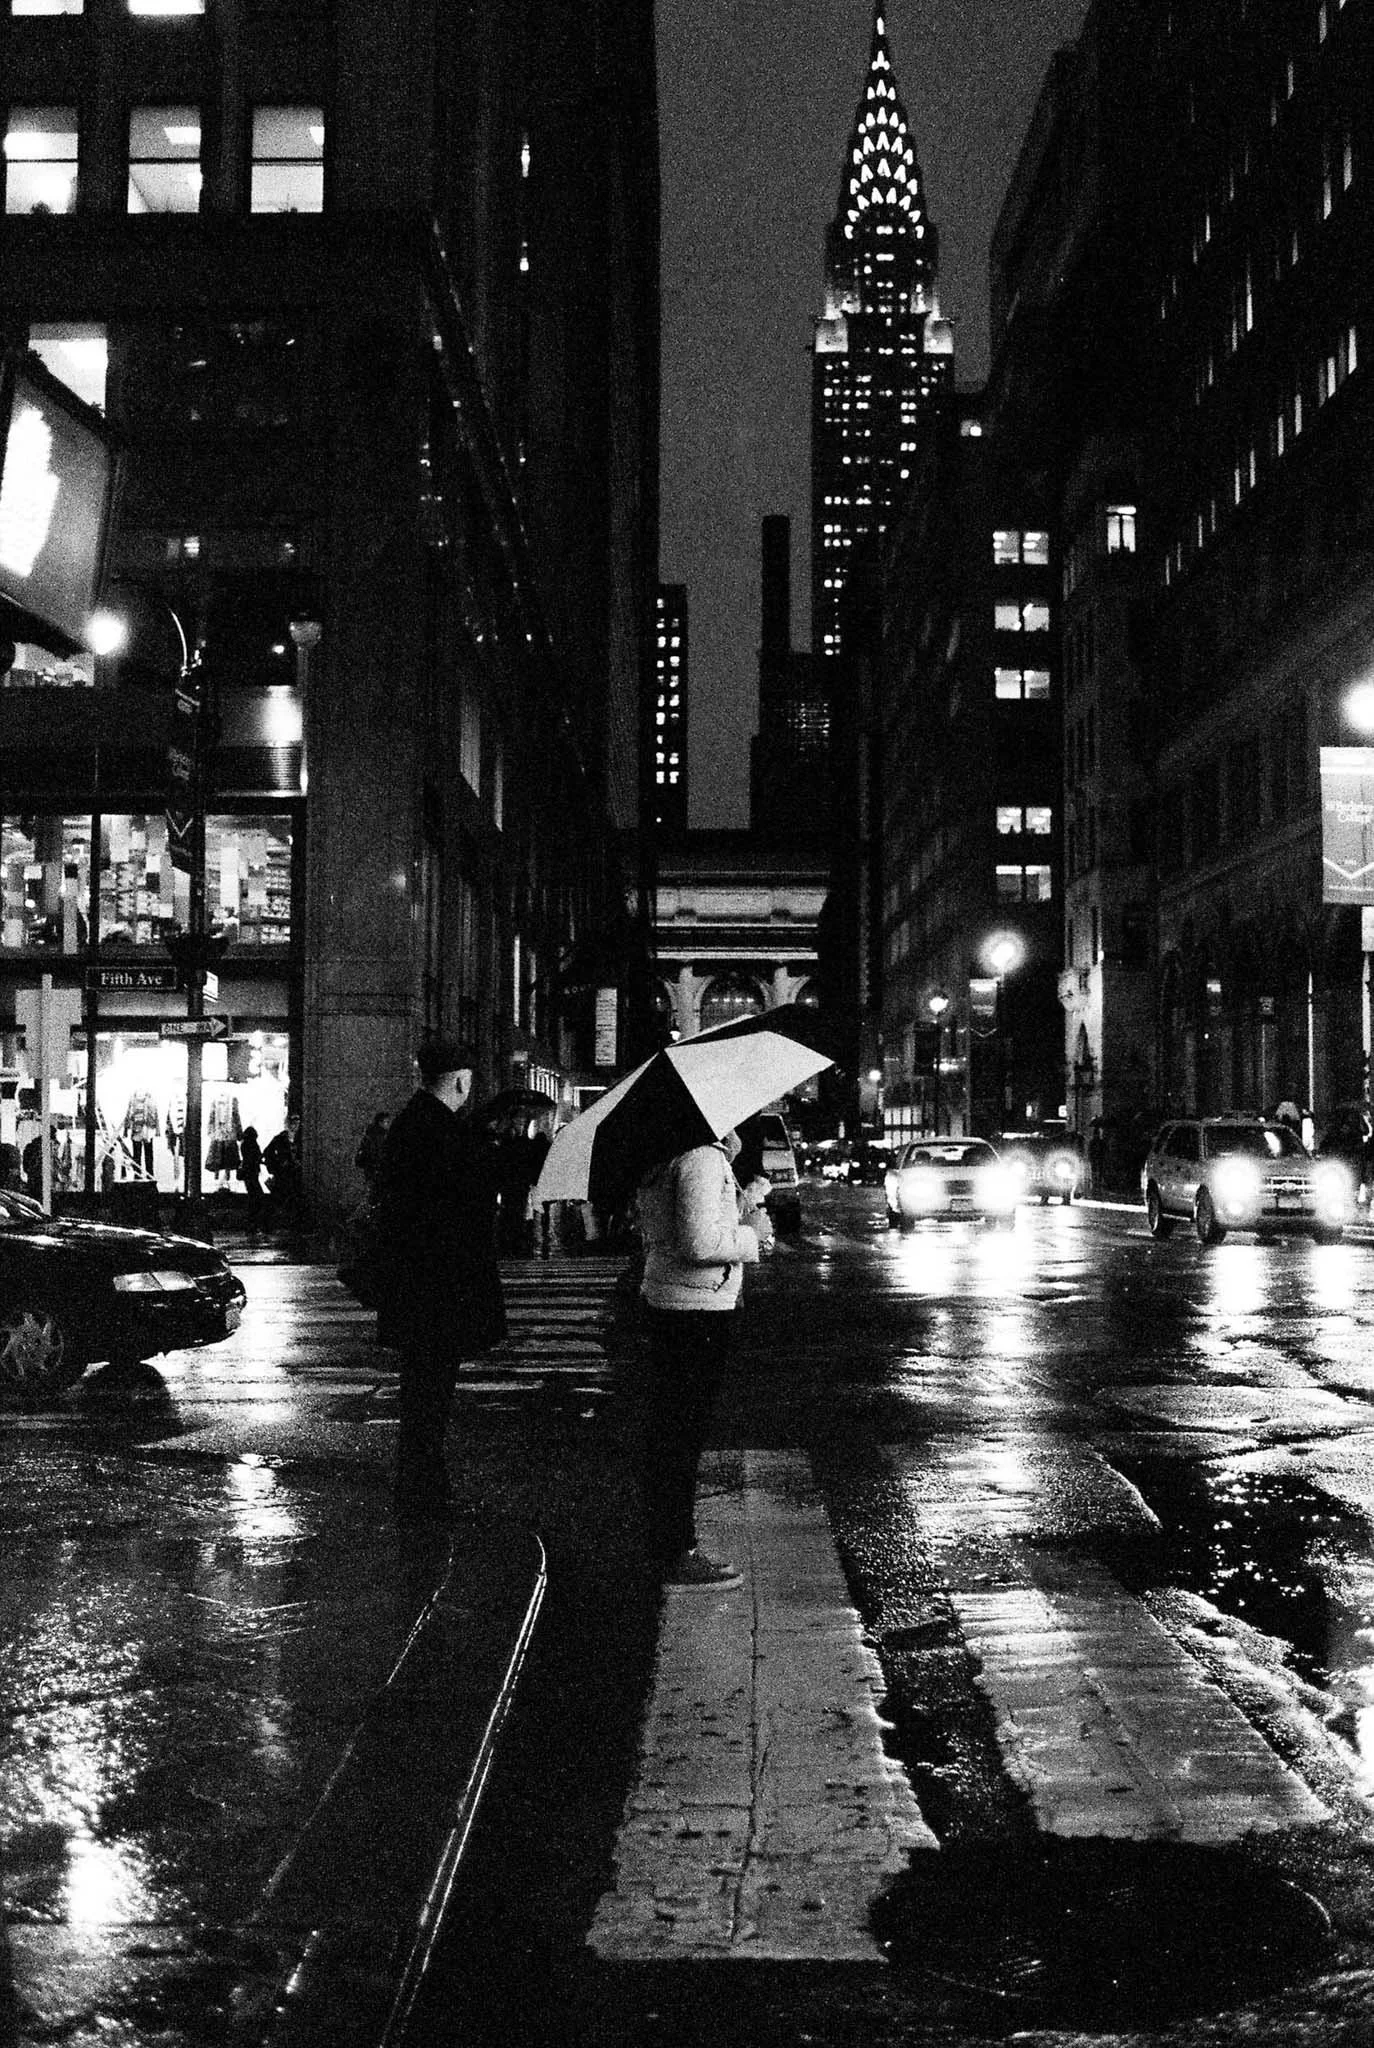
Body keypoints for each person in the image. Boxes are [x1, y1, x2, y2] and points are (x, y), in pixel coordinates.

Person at [374, 1036, 506, 1523]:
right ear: (460, 1081)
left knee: (425, 1393)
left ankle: (421, 1485)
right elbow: (461, 1206)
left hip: (420, 1285)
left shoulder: (416, 1123)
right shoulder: (439, 1130)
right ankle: (422, 1494)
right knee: (429, 1395)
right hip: (436, 1289)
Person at [634, 1129, 773, 1589]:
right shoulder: (699, 1158)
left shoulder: (678, 1152)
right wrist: (752, 1235)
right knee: (680, 1435)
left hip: (676, 1300)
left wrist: (742, 1195)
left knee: (672, 1431)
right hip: (695, 1307)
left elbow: (684, 1225)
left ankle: (667, 1544)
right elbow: (699, 1243)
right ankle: (675, 1552)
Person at [355, 1111, 390, 1198]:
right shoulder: (374, 1137)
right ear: (380, 1122)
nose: (388, 1124)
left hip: (376, 1172)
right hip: (375, 1172)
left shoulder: (373, 1136)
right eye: (386, 1122)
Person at [238, 1125, 264, 1235]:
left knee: (253, 1197)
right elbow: (257, 1156)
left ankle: (251, 1225)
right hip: (252, 1173)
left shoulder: (244, 1145)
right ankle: (254, 1224)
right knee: (257, 1197)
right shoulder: (252, 1144)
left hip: (248, 1174)